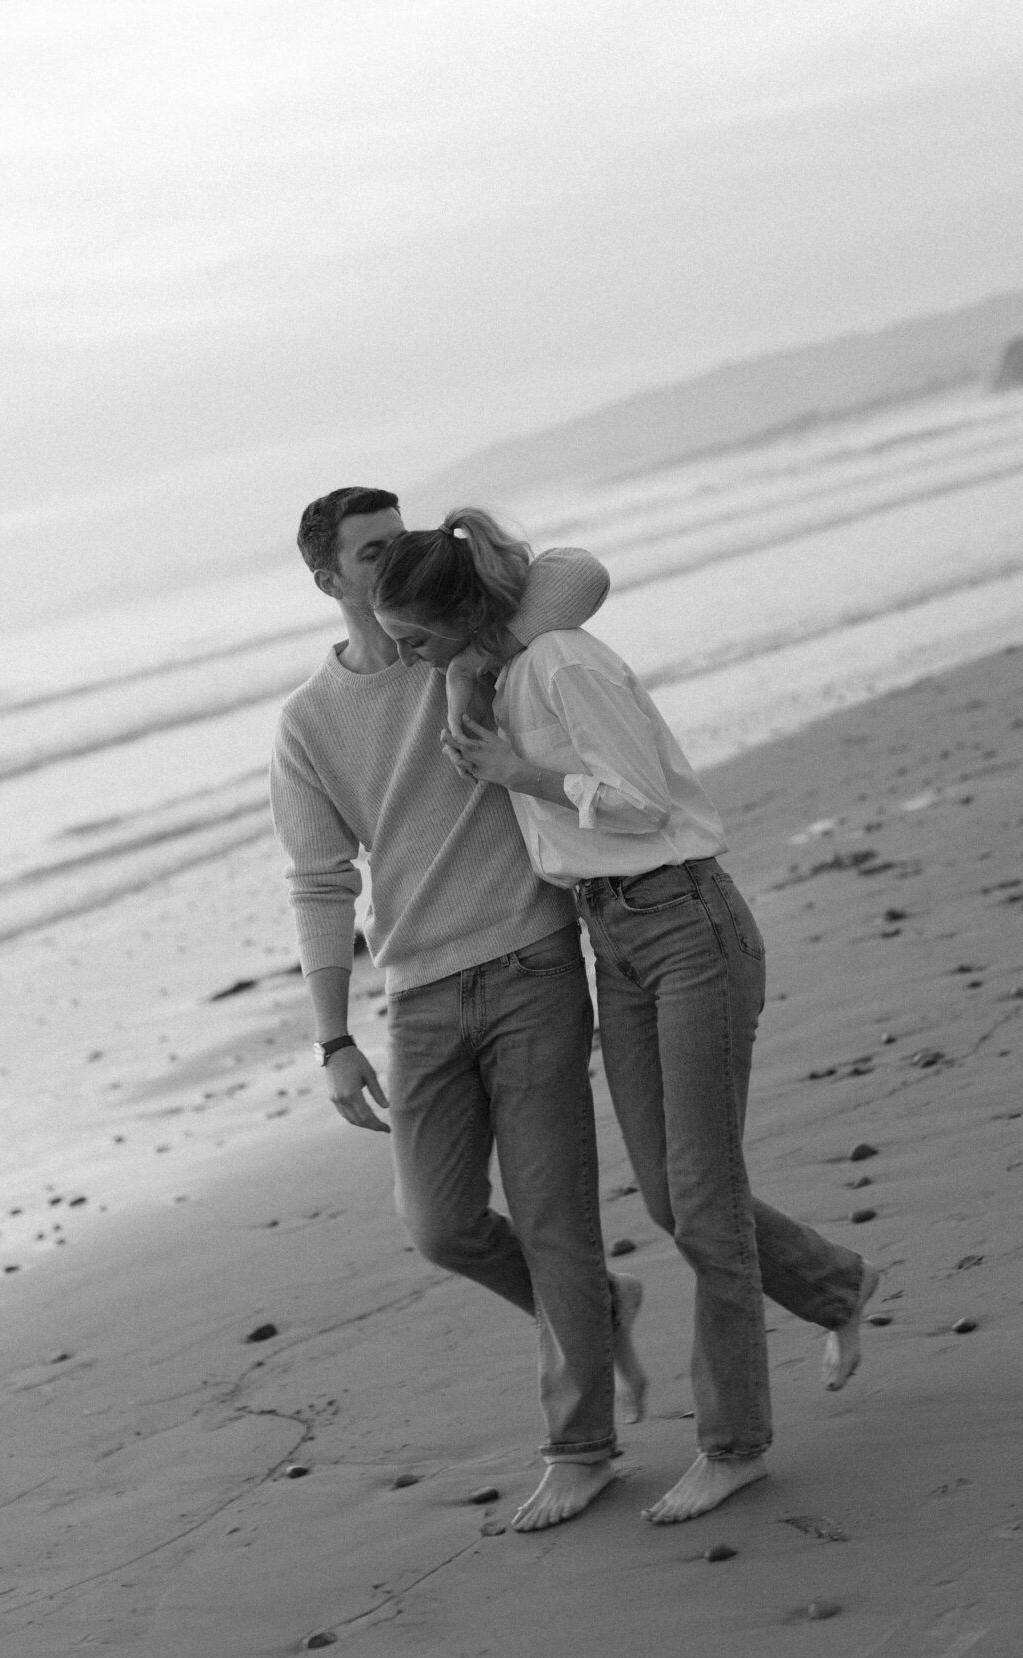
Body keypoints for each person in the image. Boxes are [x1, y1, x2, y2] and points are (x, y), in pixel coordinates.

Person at [370, 505, 880, 1525]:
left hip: (686, 920)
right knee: (666, 1195)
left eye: (420, 642)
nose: (417, 666)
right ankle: (837, 1286)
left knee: (703, 1197)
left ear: (457, 612)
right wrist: (473, 684)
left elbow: (642, 802)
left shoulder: (561, 664)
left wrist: (523, 774)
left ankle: (734, 1442)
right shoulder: (496, 673)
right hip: (615, 939)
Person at [269, 486, 647, 1533]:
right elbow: (317, 882)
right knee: (437, 1224)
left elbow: (582, 573)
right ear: (327, 580)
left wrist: (485, 651)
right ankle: (599, 1311)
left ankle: (582, 1450)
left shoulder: (468, 638)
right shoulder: (309, 722)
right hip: (419, 994)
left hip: (529, 961)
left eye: (401, 542)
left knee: (556, 1216)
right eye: (371, 553)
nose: (395, 561)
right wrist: (334, 1037)